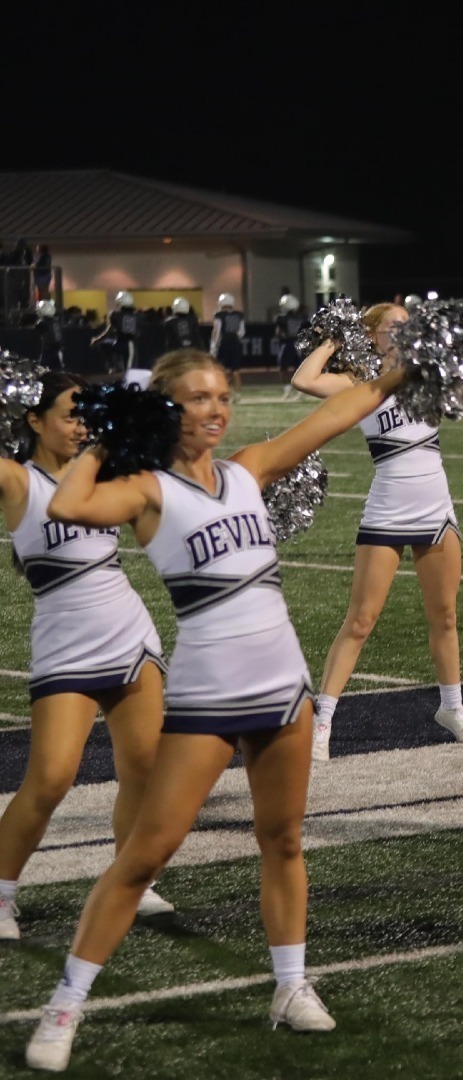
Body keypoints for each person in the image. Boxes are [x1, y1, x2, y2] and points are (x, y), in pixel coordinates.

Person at [24, 350, 414, 1071]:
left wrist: (402, 372)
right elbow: (69, 505)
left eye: (222, 397)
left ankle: (291, 986)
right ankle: (65, 1005)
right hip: (206, 695)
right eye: (198, 398)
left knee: (284, 841)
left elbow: (337, 413)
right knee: (144, 856)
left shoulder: (248, 470)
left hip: (284, 687)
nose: (216, 409)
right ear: (167, 410)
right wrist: (112, 433)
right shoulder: (145, 490)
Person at [291, 304, 463, 760]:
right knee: (360, 620)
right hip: (387, 508)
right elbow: (304, 379)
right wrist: (339, 337)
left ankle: (453, 707)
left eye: (405, 322)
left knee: (446, 615)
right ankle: (323, 720)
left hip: (435, 505)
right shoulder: (359, 383)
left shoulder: (430, 371)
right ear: (374, 335)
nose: (400, 329)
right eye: (390, 325)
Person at [0, 373, 173, 944]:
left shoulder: (107, 471)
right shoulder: (17, 478)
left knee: (145, 769)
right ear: (33, 420)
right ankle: (1, 893)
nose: (80, 427)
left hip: (127, 629)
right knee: (50, 779)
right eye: (69, 416)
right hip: (64, 639)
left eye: (85, 418)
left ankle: (132, 877)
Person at [274, 294, 305, 400]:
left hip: (287, 344)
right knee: (299, 368)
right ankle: (300, 391)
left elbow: (278, 332)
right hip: (299, 344)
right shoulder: (301, 317)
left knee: (283, 368)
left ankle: (287, 390)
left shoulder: (281, 318)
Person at [209, 294, 246, 380]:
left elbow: (216, 331)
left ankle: (224, 386)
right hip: (236, 342)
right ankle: (238, 392)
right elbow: (242, 332)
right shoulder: (239, 315)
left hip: (224, 342)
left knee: (220, 367)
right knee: (235, 370)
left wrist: (213, 346)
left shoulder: (219, 315)